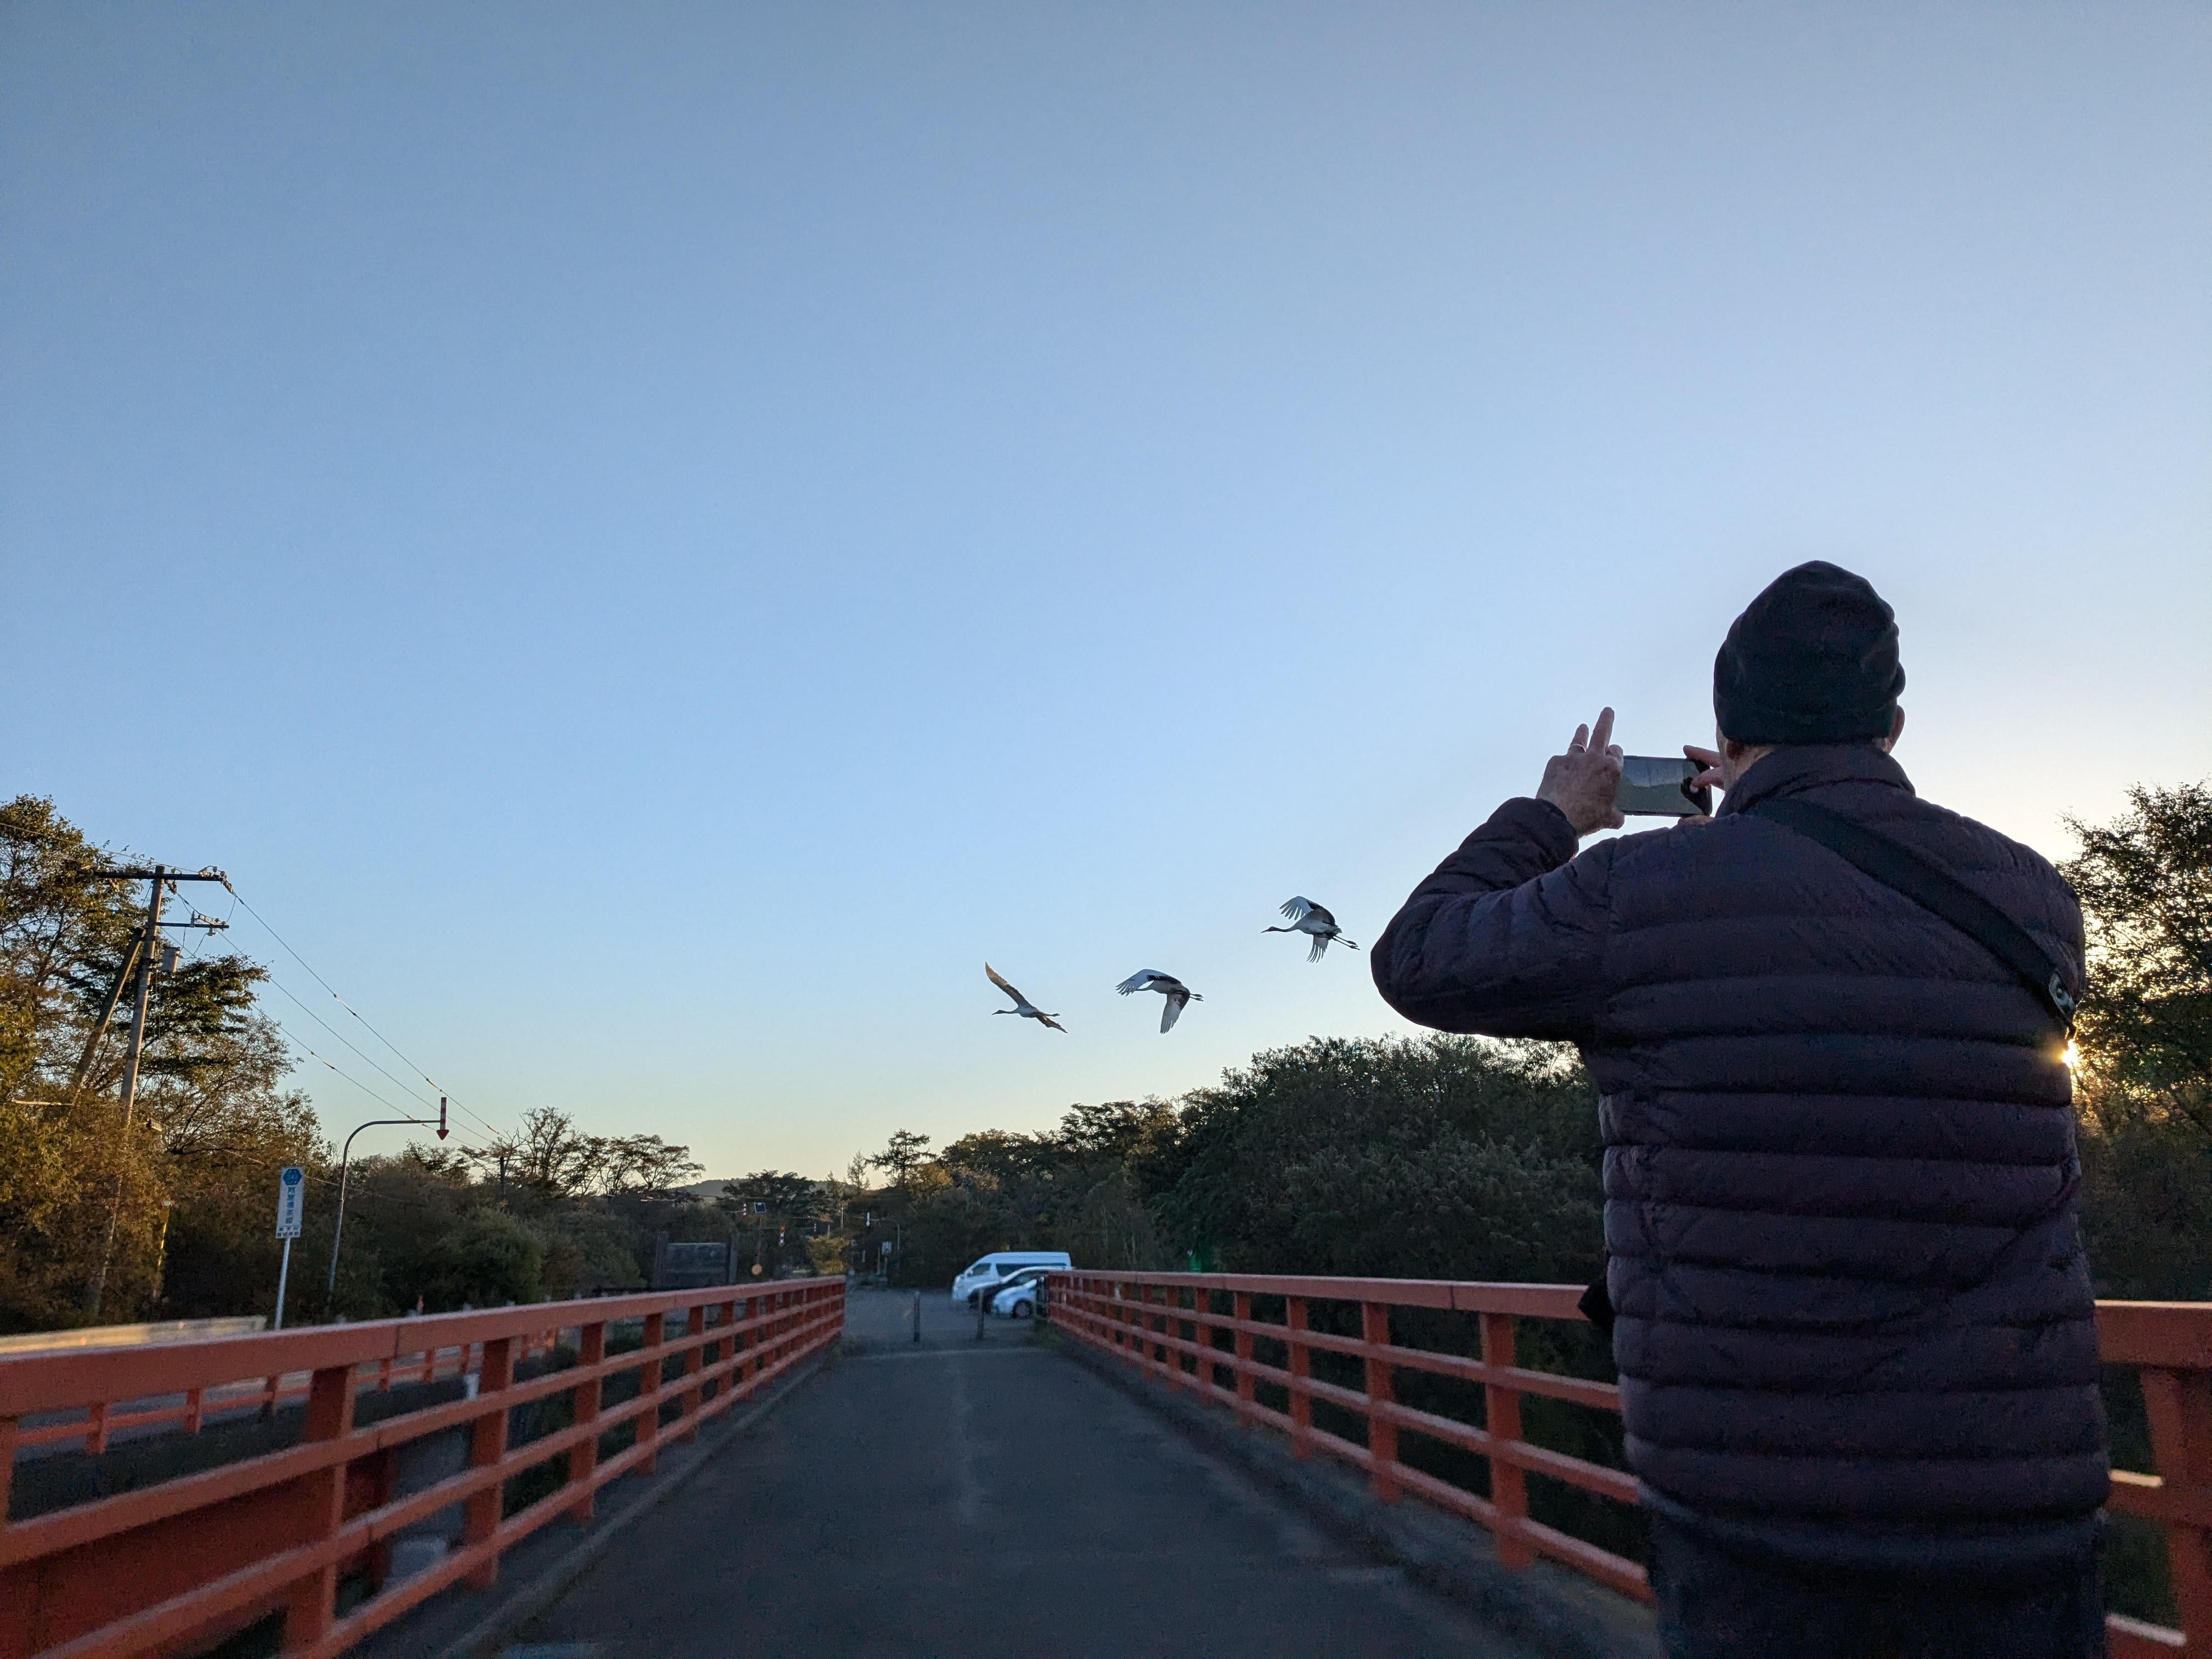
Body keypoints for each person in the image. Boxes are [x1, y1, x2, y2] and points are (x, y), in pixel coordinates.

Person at [1372, 562, 2108, 1659]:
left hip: (1759, 1510)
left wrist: (1550, 816)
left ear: (1726, 728)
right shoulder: (2034, 897)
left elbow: (1419, 957)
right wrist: (1749, 830)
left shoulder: (1636, 892)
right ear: (1893, 724)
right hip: (2016, 1499)